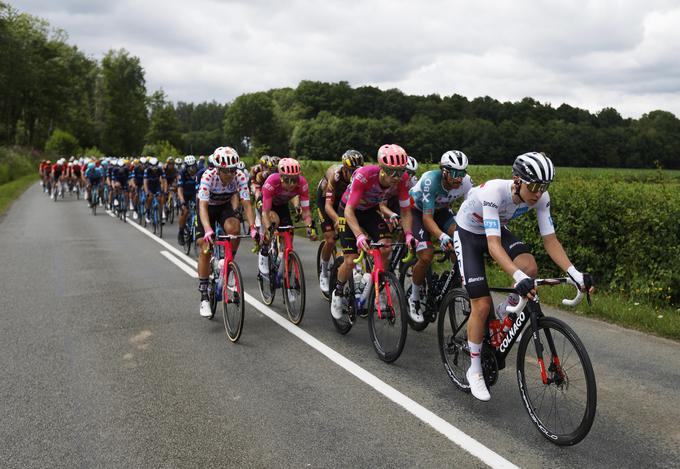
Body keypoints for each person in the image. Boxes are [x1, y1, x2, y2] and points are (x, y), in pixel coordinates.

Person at [453, 151, 594, 402]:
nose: (539, 193)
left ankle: (504, 310)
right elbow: (493, 246)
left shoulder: (540, 197)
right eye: (535, 186)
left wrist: (575, 273)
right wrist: (517, 277)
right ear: (517, 180)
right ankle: (474, 370)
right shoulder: (494, 193)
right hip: (468, 234)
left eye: (545, 186)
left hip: (495, 230)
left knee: (530, 267)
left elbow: (550, 240)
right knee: (481, 305)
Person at [330, 144, 414, 320]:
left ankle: (373, 284)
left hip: (369, 211)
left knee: (386, 248)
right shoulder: (365, 175)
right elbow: (349, 211)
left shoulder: (403, 179)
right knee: (351, 260)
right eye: (392, 171)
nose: (396, 177)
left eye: (400, 171)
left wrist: (408, 234)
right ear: (381, 168)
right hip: (348, 210)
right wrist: (359, 235)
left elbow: (406, 211)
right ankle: (337, 291)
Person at [407, 150, 473, 322]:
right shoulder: (431, 180)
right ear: (444, 171)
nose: (459, 178)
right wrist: (442, 237)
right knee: (427, 256)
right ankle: (413, 298)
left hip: (441, 211)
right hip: (417, 212)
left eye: (462, 173)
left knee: (460, 237)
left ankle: (456, 281)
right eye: (455, 174)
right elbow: (427, 219)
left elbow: (468, 213)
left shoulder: (466, 183)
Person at [196, 147, 256, 317]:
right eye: (226, 171)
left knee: (234, 230)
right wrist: (207, 230)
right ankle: (204, 297)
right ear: (218, 169)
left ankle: (228, 264)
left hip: (223, 207)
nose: (230, 174)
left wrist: (253, 227)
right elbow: (202, 206)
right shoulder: (208, 176)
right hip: (207, 209)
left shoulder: (240, 176)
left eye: (233, 170)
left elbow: (246, 203)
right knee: (205, 247)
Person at [257, 158, 317, 279]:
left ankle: (287, 278)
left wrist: (310, 228)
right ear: (280, 176)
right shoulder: (271, 182)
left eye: (294, 180)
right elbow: (265, 213)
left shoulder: (302, 183)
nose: (291, 184)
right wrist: (269, 228)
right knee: (273, 222)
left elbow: (306, 212)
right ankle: (264, 250)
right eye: (287, 180)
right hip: (267, 205)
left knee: (289, 237)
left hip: (282, 205)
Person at [316, 149, 364, 293]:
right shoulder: (335, 176)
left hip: (345, 202)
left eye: (357, 170)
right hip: (326, 200)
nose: (354, 174)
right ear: (344, 169)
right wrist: (337, 220)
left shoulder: (359, 177)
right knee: (330, 239)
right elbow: (328, 206)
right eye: (350, 170)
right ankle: (324, 271)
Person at [177, 155, 199, 245]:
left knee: (200, 210)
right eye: (190, 168)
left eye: (193, 167)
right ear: (186, 167)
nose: (192, 169)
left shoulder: (199, 172)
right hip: (184, 194)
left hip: (195, 193)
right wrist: (182, 201)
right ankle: (181, 232)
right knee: (185, 211)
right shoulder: (182, 173)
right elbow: (180, 189)